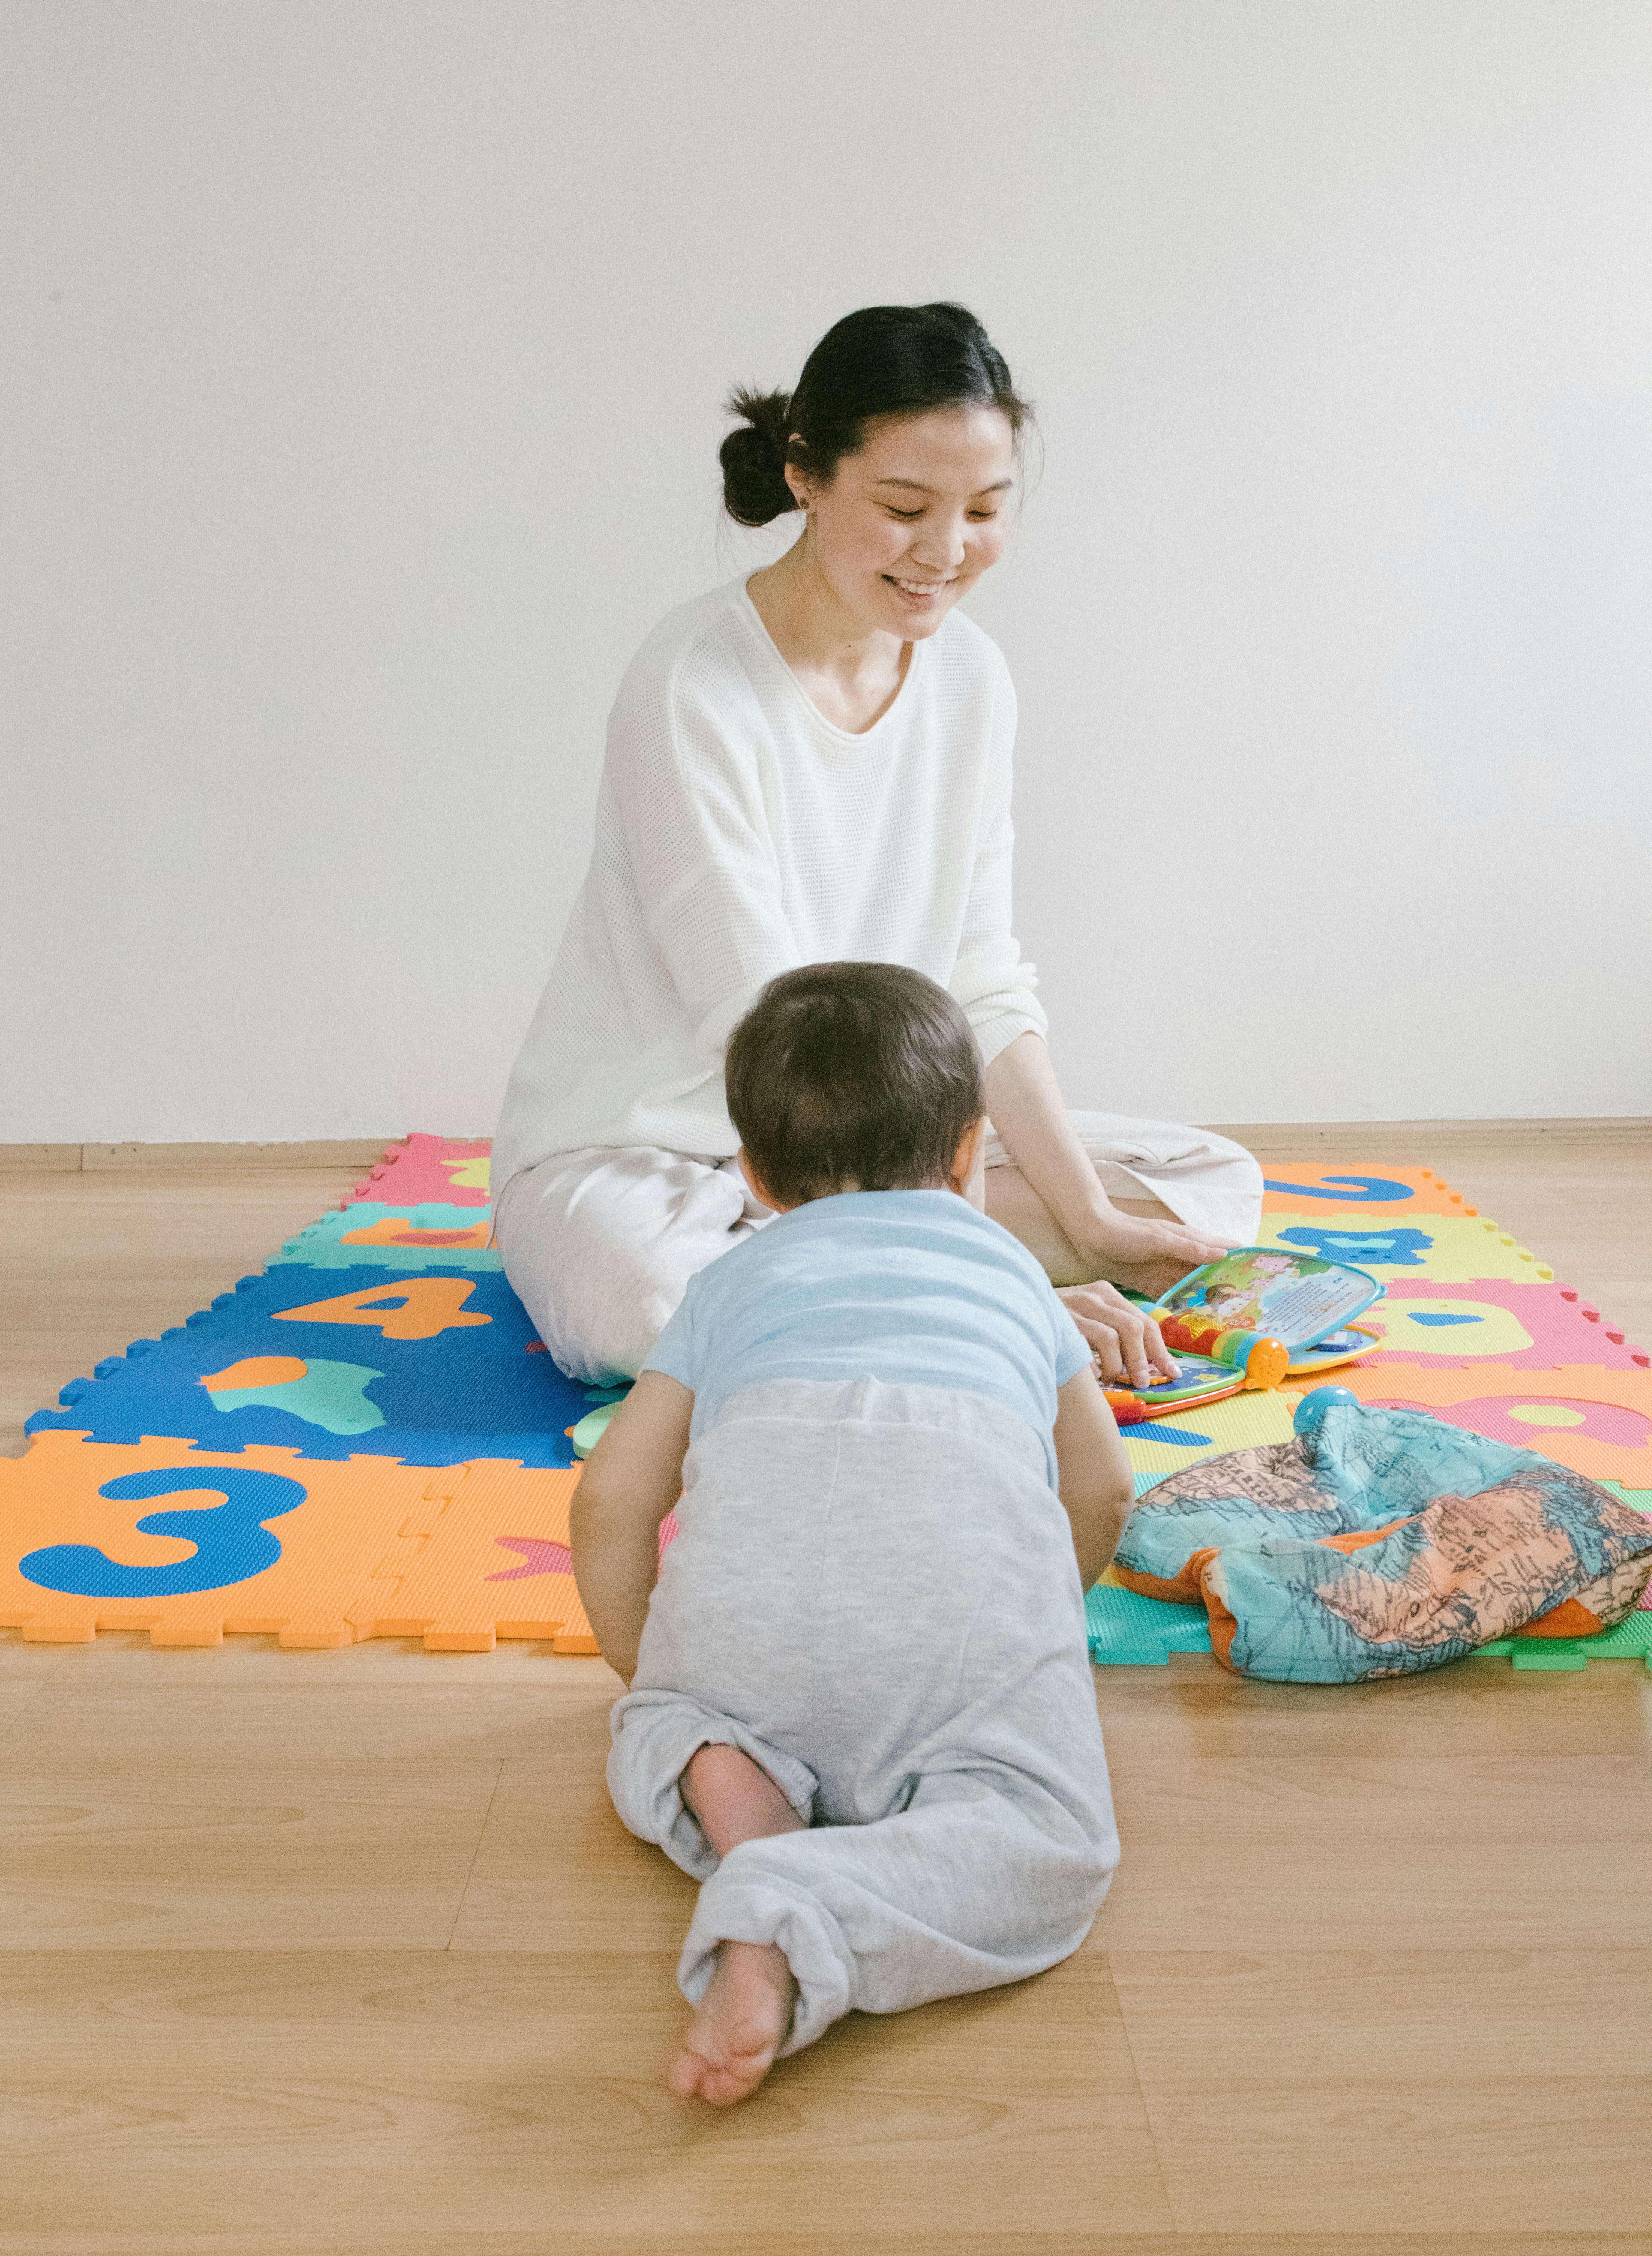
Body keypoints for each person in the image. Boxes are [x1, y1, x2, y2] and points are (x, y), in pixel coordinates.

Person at [494, 300, 1262, 1388]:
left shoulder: (972, 676)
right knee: (638, 1305)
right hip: (660, 1148)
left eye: (986, 510)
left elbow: (979, 976)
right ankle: (918, 1283)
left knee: (1208, 1187)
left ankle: (836, 1288)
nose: (945, 553)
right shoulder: (691, 686)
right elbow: (775, 1025)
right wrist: (981, 1270)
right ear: (806, 474)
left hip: (893, 1129)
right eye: (904, 507)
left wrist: (1087, 1217)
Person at [571, 963, 1132, 2103]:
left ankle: (729, 1777)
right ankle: (810, 1907)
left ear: (757, 1176)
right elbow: (1105, 1490)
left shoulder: (730, 1279)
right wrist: (1031, 1625)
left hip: (749, 1639)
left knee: (664, 1721)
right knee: (1050, 1842)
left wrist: (656, 1672)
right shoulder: (1016, 1272)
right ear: (973, 1151)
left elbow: (610, 1503)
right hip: (957, 1639)